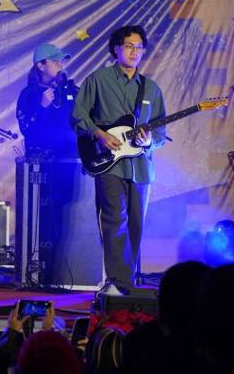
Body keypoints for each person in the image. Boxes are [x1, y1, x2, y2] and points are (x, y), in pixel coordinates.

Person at [71, 25, 166, 297]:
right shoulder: (98, 80)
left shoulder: (151, 88)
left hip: (141, 166)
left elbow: (160, 132)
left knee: (136, 223)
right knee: (115, 219)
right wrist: (99, 134)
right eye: (129, 46)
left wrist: (150, 141)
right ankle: (119, 283)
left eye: (139, 48)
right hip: (109, 163)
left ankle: (128, 280)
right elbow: (78, 116)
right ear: (116, 49)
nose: (134, 52)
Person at [16, 43, 79, 157]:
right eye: (55, 61)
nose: (60, 65)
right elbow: (26, 129)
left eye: (61, 61)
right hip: (42, 160)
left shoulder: (68, 90)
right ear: (41, 66)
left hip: (71, 158)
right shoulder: (28, 94)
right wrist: (42, 107)